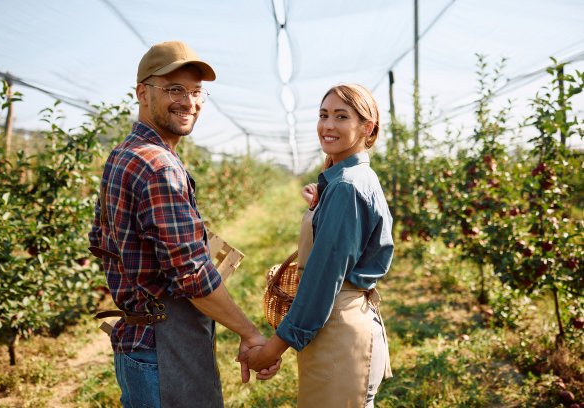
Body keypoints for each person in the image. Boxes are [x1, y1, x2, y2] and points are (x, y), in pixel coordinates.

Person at [88, 40, 279, 408]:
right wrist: (250, 333)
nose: (189, 102)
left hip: (137, 341)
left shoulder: (122, 155)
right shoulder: (158, 167)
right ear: (142, 93)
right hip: (164, 349)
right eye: (174, 89)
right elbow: (192, 276)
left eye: (196, 92)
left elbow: (104, 241)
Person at [241, 84, 394, 407]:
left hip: (340, 332)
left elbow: (322, 281)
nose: (327, 125)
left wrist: (271, 350)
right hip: (339, 327)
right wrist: (319, 206)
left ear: (367, 127)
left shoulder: (347, 187)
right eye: (323, 115)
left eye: (341, 116)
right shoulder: (348, 179)